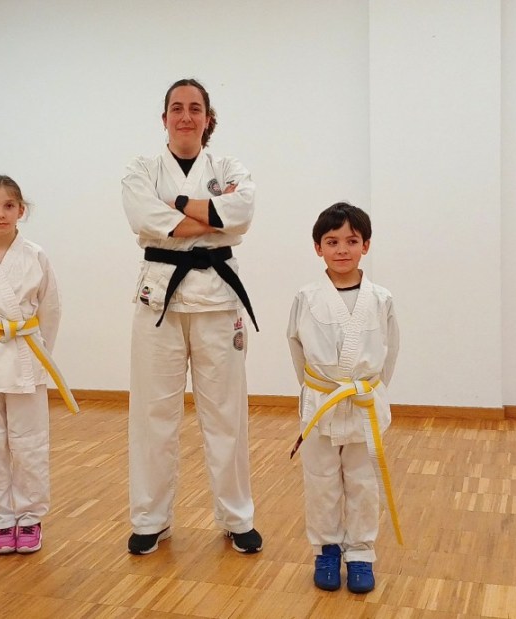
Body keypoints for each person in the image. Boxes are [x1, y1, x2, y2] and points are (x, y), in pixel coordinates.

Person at [121, 78, 262, 555]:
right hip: (158, 299)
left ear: (207, 118)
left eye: (195, 108)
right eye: (177, 108)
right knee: (152, 413)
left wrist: (177, 206)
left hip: (218, 300)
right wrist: (210, 219)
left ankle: (237, 517)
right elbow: (145, 219)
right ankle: (150, 519)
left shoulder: (229, 167)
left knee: (226, 414)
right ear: (164, 118)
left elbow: (240, 214)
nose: (185, 116)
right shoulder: (141, 169)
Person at [0, 174, 77, 555]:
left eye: (9, 206)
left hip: (25, 354)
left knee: (29, 443)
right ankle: (2, 520)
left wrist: (39, 351)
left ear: (22, 210)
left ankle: (30, 517)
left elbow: (51, 308)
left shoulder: (35, 255)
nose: (1, 214)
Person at [287, 202, 400, 594]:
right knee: (321, 480)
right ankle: (326, 550)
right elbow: (296, 348)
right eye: (332, 241)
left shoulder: (381, 298)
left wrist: (370, 390)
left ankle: (361, 552)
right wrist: (316, 390)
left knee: (363, 480)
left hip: (364, 402)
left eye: (351, 241)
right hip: (321, 401)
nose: (342, 250)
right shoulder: (306, 296)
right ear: (318, 247)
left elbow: (390, 352)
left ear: (365, 245)